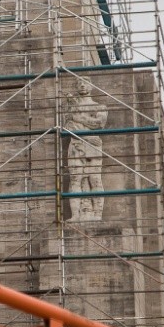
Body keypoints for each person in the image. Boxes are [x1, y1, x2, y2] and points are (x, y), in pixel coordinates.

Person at [64, 77, 108, 221]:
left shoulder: (99, 107)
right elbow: (68, 127)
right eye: (79, 83)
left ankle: (97, 215)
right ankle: (76, 215)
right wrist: (87, 137)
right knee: (75, 179)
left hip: (94, 146)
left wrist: (78, 117)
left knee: (95, 179)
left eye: (85, 83)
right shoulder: (71, 107)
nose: (82, 85)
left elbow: (99, 124)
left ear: (91, 86)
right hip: (77, 144)